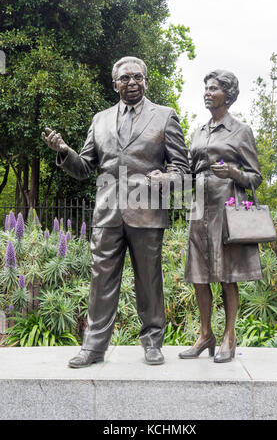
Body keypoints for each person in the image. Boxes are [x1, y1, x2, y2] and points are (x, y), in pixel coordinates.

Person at [42, 56, 190, 367]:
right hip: (107, 213)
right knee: (101, 281)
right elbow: (84, 168)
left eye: (137, 77)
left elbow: (182, 169)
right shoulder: (100, 120)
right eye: (125, 78)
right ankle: (94, 348)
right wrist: (64, 152)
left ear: (146, 81)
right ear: (115, 84)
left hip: (147, 212)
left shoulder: (165, 117)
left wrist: (166, 178)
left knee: (149, 280)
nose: (132, 82)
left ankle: (152, 342)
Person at [179, 69, 262, 363]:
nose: (207, 92)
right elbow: (188, 171)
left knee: (227, 276)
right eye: (205, 88)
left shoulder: (241, 131)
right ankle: (205, 334)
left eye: (213, 88)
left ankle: (229, 336)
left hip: (226, 208)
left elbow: (255, 177)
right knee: (199, 276)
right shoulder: (198, 131)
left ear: (228, 94)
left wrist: (233, 172)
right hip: (199, 207)